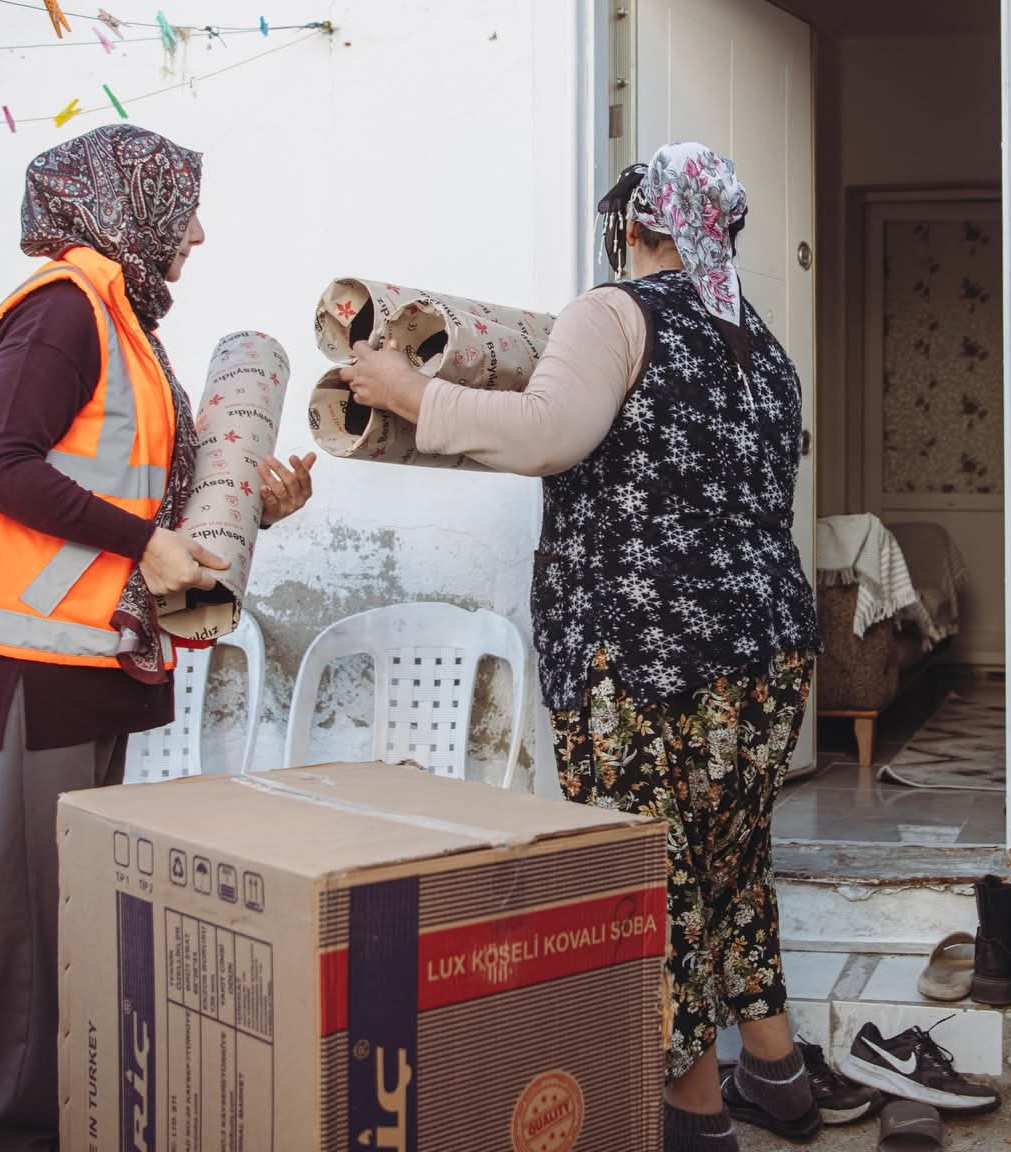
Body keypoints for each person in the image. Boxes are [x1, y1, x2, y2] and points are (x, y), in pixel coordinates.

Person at [341, 143, 844, 1151]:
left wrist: (404, 394)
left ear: (636, 224)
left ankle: (697, 1121)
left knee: (653, 881)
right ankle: (778, 1077)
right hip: (768, 649)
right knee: (732, 862)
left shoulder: (615, 312)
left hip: (647, 657)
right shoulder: (758, 341)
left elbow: (547, 433)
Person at [0, 125, 315, 1152]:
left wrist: (254, 508)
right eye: (184, 207)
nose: (199, 232)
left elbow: (135, 489)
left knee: (61, 920)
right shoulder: (63, 315)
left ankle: (40, 1125)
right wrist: (145, 544)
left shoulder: (121, 325)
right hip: (16, 664)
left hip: (72, 660)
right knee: (16, 925)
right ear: (128, 207)